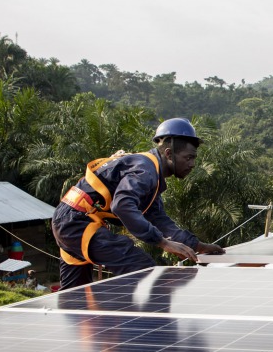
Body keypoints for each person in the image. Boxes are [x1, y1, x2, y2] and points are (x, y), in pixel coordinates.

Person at [52, 118, 225, 290]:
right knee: (141, 267)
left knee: (74, 294)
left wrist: (198, 246)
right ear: (169, 154)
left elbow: (161, 220)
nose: (192, 164)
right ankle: (134, 317)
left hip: (69, 222)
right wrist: (162, 242)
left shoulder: (150, 175)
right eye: (188, 158)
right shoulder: (145, 170)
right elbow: (122, 205)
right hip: (76, 223)